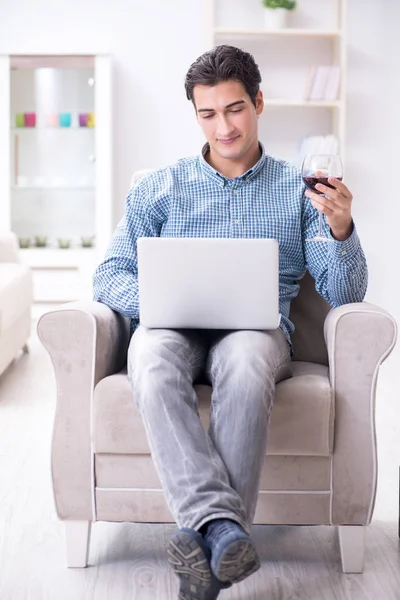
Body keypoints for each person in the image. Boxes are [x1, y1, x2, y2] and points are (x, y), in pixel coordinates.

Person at [93, 44, 368, 600]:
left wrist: (341, 231)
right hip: (169, 326)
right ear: (195, 115)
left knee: (244, 363)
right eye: (209, 114)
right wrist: (167, 301)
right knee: (147, 356)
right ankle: (221, 531)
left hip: (256, 333)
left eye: (235, 109)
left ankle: (204, 558)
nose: (224, 127)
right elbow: (108, 276)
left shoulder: (300, 190)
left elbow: (344, 292)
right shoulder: (157, 187)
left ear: (259, 102)